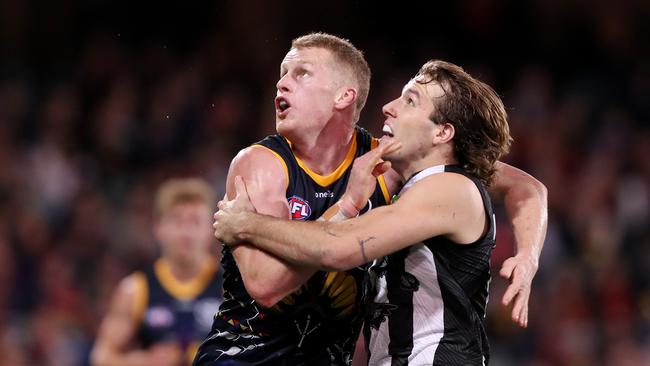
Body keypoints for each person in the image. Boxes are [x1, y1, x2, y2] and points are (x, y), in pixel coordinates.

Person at [194, 33, 546, 366]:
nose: (281, 83)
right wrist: (527, 257)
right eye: (283, 73)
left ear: (343, 96)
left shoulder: (425, 177)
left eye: (301, 74)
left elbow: (526, 186)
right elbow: (266, 285)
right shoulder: (263, 163)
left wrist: (248, 224)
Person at [91, 178, 224, 366]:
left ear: (211, 229)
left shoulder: (230, 287)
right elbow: (101, 357)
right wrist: (146, 361)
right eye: (177, 220)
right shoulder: (135, 290)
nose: (186, 232)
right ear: (159, 227)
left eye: (195, 221)